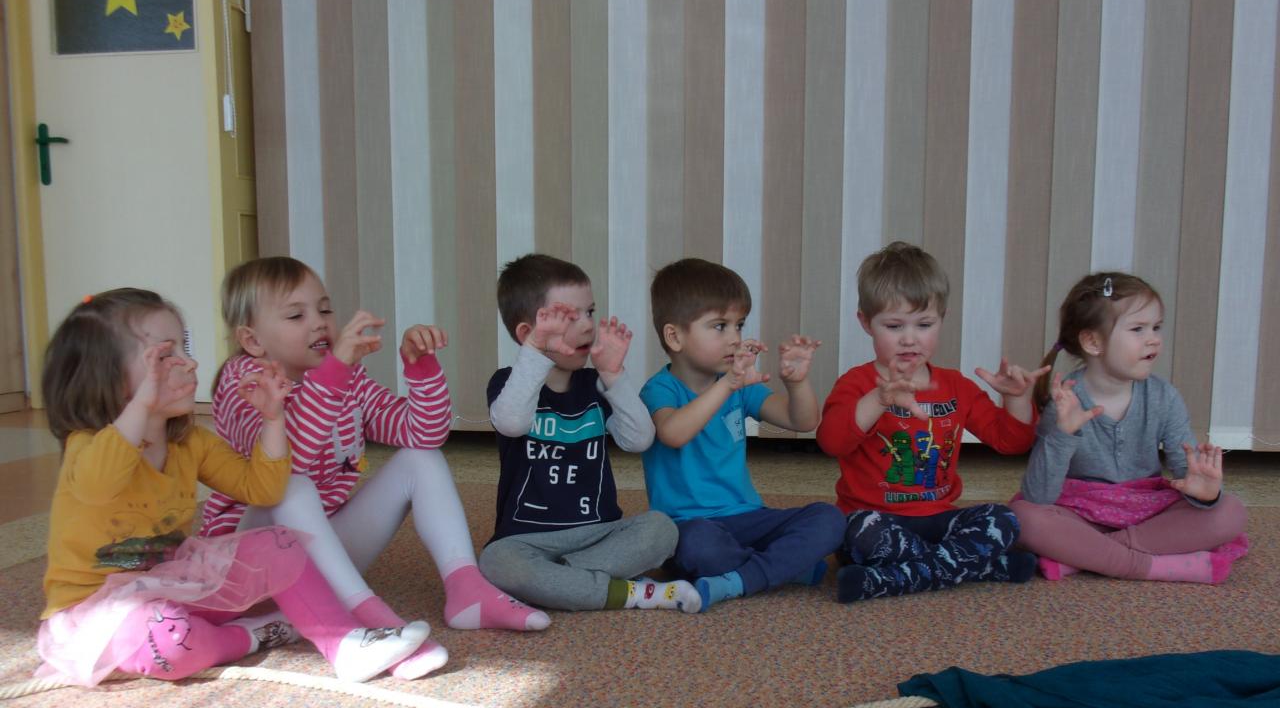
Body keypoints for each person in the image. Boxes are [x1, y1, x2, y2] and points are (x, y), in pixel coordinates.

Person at [36, 288, 431, 687]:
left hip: (171, 583)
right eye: (165, 356)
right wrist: (141, 405)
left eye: (184, 348)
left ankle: (344, 643)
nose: (191, 363)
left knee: (280, 543)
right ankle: (253, 635)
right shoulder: (85, 445)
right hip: (98, 611)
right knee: (169, 640)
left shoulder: (189, 442)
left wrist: (273, 420)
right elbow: (99, 486)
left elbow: (263, 491)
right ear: (106, 374)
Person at [203, 258, 549, 682]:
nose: (319, 323)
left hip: (318, 559)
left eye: (325, 309)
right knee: (289, 485)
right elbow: (292, 460)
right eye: (296, 315)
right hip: (243, 571)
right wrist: (334, 371)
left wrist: (420, 368)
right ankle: (366, 617)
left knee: (420, 459)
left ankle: (466, 588)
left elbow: (422, 433)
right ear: (252, 341)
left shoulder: (345, 377)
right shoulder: (243, 383)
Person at [816, 241, 1041, 602]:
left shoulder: (956, 386)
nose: (909, 339)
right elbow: (831, 442)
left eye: (924, 324)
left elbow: (1010, 442)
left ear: (942, 319)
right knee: (857, 532)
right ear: (866, 323)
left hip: (940, 519)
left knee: (1005, 520)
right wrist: (879, 399)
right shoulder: (856, 383)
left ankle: (892, 579)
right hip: (876, 520)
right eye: (894, 325)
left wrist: (1017, 400)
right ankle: (980, 568)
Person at [480, 254, 698, 613]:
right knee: (496, 563)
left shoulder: (595, 384)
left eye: (590, 312)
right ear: (527, 334)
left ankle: (561, 582)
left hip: (598, 533)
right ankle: (633, 593)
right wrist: (534, 353)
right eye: (569, 317)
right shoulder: (507, 382)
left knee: (662, 529)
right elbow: (512, 423)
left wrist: (613, 374)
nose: (587, 326)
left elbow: (638, 439)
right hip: (526, 539)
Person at [1010, 271, 1247, 581]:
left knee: (1230, 511)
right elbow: (1038, 496)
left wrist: (1205, 493)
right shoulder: (1065, 401)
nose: (1154, 339)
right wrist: (1063, 434)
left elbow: (1186, 474)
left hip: (1147, 511)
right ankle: (1149, 566)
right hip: (1081, 513)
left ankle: (1086, 557)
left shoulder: (1164, 397)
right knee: (1023, 518)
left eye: (1156, 327)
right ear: (1093, 341)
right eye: (1138, 329)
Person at [640, 258, 846, 611]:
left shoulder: (736, 385)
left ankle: (741, 577)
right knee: (699, 549)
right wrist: (728, 386)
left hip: (748, 516)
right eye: (720, 326)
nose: (735, 338)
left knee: (830, 519)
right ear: (675, 336)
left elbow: (802, 421)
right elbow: (674, 433)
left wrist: (796, 383)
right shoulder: (660, 389)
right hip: (688, 526)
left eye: (739, 325)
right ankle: (782, 568)